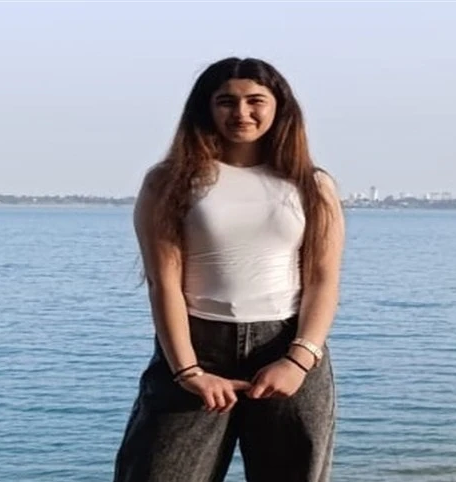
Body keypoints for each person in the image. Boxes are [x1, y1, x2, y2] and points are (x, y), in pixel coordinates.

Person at [113, 57, 345, 482]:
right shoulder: (168, 182)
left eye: (256, 100)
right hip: (196, 347)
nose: (241, 112)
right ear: (206, 108)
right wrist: (188, 372)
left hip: (288, 347)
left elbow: (322, 279)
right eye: (226, 101)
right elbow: (164, 283)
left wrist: (298, 360)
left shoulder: (313, 185)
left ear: (279, 107)